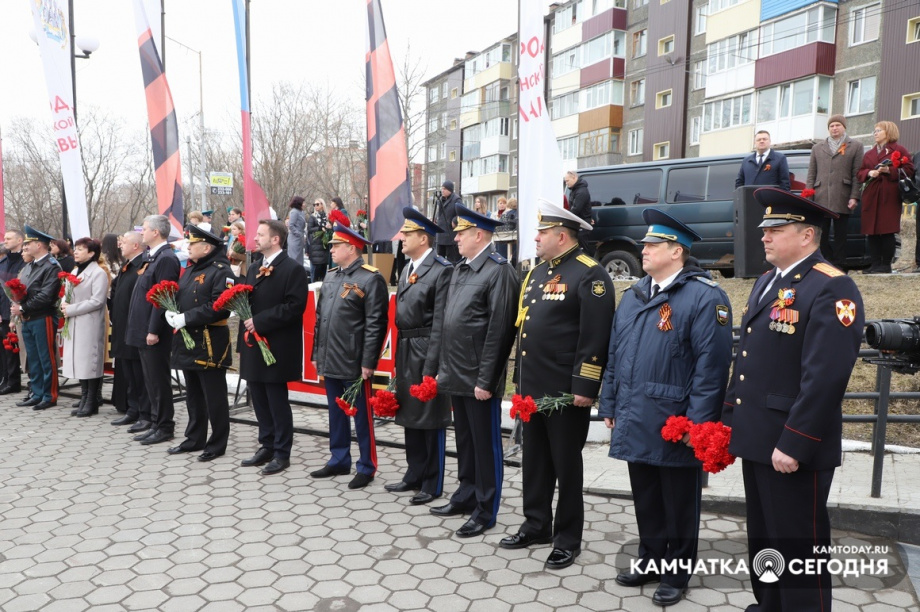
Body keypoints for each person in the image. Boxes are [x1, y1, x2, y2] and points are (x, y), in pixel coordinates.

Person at [722, 187, 864, 611]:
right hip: (759, 437)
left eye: (776, 229)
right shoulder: (769, 281)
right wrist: (730, 419)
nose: (764, 236)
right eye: (764, 229)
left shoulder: (832, 287)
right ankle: (770, 605)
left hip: (791, 445)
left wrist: (795, 441)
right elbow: (747, 356)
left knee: (799, 547)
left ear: (807, 236)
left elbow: (825, 377)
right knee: (765, 538)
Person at [598, 209, 733, 606]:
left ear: (677, 252)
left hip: (675, 420)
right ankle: (650, 560)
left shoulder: (705, 297)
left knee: (678, 501)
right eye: (645, 244)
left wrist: (699, 426)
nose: (644, 250)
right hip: (636, 414)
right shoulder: (636, 293)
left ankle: (677, 572)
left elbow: (711, 368)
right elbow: (615, 353)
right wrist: (610, 401)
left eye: (652, 245)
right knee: (646, 497)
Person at [500, 201, 614, 570]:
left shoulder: (590, 274)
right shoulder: (537, 273)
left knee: (566, 465)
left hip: (566, 391)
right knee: (534, 461)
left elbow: (594, 338)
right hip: (534, 388)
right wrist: (520, 383)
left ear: (561, 236)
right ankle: (536, 524)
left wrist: (586, 386)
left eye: (542, 233)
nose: (536, 238)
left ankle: (568, 538)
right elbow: (527, 329)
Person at [431, 203, 518, 538]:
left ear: (478, 235)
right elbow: (448, 322)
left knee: (485, 444)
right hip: (456, 371)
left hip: (479, 377)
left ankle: (485, 508)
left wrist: (487, 379)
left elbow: (499, 331)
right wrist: (442, 368)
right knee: (465, 441)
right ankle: (466, 493)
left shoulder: (499, 271)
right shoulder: (461, 269)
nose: (455, 237)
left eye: (461, 233)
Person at [310, 223, 389, 489]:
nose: (330, 250)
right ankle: (339, 458)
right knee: (335, 412)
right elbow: (321, 319)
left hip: (354, 360)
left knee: (362, 416)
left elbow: (376, 323)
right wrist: (316, 353)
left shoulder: (371, 278)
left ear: (351, 248)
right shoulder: (331, 276)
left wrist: (369, 362)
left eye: (336, 246)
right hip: (331, 357)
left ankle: (366, 466)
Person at [386, 207, 453, 505]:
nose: (402, 238)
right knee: (410, 413)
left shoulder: (441, 270)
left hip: (427, 346)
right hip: (406, 347)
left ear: (424, 238)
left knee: (430, 416)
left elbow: (440, 321)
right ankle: (414, 473)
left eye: (408, 234)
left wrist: (432, 364)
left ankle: (432, 481)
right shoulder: (408, 267)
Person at [239, 219, 309, 475]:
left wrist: (259, 322)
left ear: (276, 239)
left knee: (276, 400)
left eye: (260, 234)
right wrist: (242, 343)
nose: (255, 239)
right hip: (253, 345)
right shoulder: (255, 267)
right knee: (258, 397)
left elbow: (294, 307)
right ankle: (266, 444)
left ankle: (282, 452)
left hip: (277, 346)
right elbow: (243, 304)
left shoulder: (292, 269)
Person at [165, 225, 234, 462]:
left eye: (192, 244)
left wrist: (187, 317)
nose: (188, 247)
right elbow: (183, 296)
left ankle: (217, 443)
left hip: (209, 341)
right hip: (189, 340)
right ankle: (194, 438)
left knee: (214, 396)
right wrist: (171, 312)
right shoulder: (193, 269)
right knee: (193, 394)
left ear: (206, 248)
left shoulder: (221, 271)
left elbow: (220, 306)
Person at [126, 215, 181, 445]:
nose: (142, 232)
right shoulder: (153, 257)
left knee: (158, 381)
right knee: (150, 380)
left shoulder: (166, 258)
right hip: (142, 329)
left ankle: (165, 426)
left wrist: (154, 330)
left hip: (153, 332)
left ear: (156, 232)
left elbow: (163, 297)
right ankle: (156, 422)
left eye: (145, 229)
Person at [11, 226, 61, 410]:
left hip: (43, 316)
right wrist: (17, 302)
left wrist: (22, 306)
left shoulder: (51, 266)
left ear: (39, 245)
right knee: (33, 358)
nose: (25, 246)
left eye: (28, 243)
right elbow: (23, 289)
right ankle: (37, 392)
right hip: (28, 317)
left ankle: (49, 395)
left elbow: (47, 295)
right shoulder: (30, 266)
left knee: (46, 358)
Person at [805, 115, 864, 269]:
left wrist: (854, 196)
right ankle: (826, 259)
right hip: (821, 195)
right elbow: (811, 173)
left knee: (841, 234)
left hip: (842, 195)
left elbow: (856, 174)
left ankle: (840, 263)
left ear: (844, 127)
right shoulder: (817, 148)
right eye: (832, 126)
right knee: (820, 234)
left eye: (838, 125)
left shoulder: (855, 145)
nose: (834, 128)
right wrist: (809, 194)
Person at [60, 238, 110, 418]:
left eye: (81, 249)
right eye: (76, 248)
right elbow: (67, 293)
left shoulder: (98, 273)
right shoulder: (74, 270)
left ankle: (92, 401)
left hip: (89, 322)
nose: (77, 252)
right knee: (80, 361)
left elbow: (97, 301)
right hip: (74, 321)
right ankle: (84, 397)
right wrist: (64, 304)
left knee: (90, 362)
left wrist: (71, 309)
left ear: (91, 253)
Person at [857, 121, 915, 274]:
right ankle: (875, 264)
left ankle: (885, 264)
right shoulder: (869, 153)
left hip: (889, 195)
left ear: (888, 132)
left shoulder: (899, 150)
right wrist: (869, 173)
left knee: (887, 230)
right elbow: (860, 172)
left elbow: (909, 170)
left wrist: (889, 171)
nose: (875, 133)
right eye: (874, 130)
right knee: (872, 230)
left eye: (879, 130)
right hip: (871, 195)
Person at [110, 231, 150, 429]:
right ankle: (133, 409)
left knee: (140, 374)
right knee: (129, 373)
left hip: (136, 328)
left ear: (135, 246)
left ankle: (145, 413)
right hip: (122, 327)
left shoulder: (143, 265)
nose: (120, 246)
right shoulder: (127, 266)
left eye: (123, 242)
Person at [0, 230, 25, 395]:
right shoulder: (3, 262)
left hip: (19, 311)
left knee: (14, 347)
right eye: (5, 238)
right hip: (3, 311)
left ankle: (14, 380)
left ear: (20, 240)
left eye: (9, 238)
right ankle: (6, 378)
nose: (5, 241)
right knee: (5, 348)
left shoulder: (24, 262)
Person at [434, 180, 461, 263]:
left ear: (450, 190)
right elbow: (440, 214)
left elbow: (462, 214)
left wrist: (454, 221)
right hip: (440, 236)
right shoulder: (440, 200)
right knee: (439, 261)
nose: (442, 190)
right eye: (442, 188)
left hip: (450, 236)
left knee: (452, 261)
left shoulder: (456, 200)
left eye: (445, 189)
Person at [307, 199, 329, 283]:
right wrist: (319, 228)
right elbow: (309, 229)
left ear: (322, 205)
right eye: (314, 204)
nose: (315, 206)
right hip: (315, 245)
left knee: (323, 270)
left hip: (324, 245)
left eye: (317, 204)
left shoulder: (327, 216)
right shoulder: (313, 217)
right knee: (315, 271)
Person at [286, 196, 306, 266]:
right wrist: (298, 234)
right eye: (303, 202)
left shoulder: (302, 212)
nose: (304, 204)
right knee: (293, 257)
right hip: (294, 238)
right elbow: (291, 225)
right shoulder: (294, 212)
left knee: (300, 258)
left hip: (300, 238)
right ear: (299, 203)